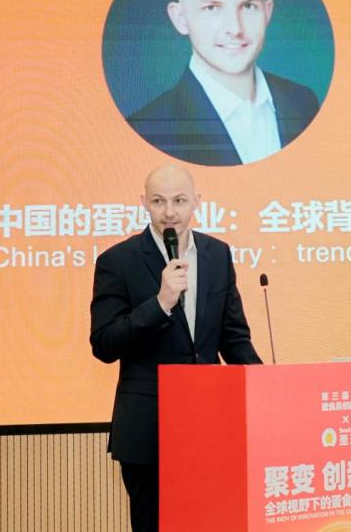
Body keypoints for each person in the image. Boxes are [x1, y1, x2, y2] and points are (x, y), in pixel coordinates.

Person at [90, 164, 262, 532]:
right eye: (159, 201)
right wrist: (160, 303)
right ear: (144, 203)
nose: (169, 212)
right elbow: (104, 343)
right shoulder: (117, 261)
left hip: (211, 425)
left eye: (180, 201)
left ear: (197, 202)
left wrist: (269, 389)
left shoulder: (218, 254)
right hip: (148, 431)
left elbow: (234, 339)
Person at [127, 0, 319, 166]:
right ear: (180, 18)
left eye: (248, 6)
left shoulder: (303, 102)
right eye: (211, 8)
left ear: (267, 13)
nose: (235, 29)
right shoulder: (146, 130)